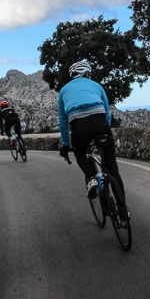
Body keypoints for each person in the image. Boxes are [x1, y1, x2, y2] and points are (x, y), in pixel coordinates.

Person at [57, 60, 129, 218]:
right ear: (87, 74)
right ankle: (123, 210)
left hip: (79, 127)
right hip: (100, 123)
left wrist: (66, 144)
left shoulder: (63, 90)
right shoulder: (96, 85)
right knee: (112, 169)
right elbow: (108, 112)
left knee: (81, 154)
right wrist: (105, 131)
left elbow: (62, 121)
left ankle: (92, 178)